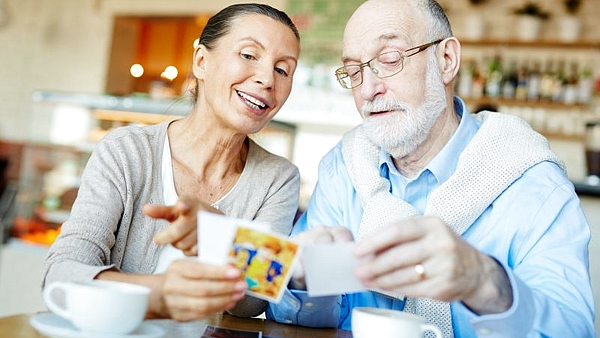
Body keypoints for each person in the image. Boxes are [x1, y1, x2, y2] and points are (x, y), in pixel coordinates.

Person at [266, 0, 595, 337]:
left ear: (446, 61)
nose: (367, 90)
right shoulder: (343, 167)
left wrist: (485, 281)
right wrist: (303, 279)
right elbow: (291, 310)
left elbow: (573, 329)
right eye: (354, 72)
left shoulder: (531, 181)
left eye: (389, 60)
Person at [42, 2, 301, 325]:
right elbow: (61, 273)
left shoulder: (279, 178)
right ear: (202, 62)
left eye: (283, 69)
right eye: (249, 55)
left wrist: (217, 234)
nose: (266, 78)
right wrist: (157, 293)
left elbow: (252, 302)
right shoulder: (126, 152)